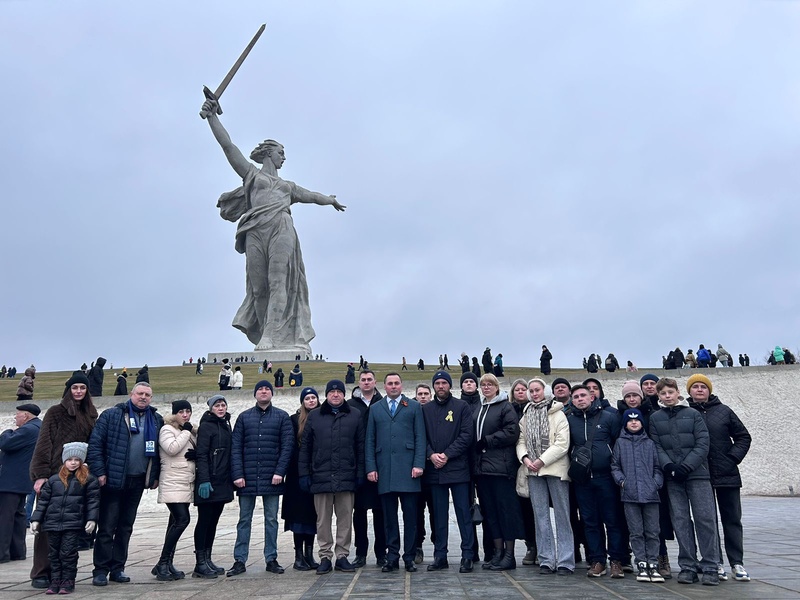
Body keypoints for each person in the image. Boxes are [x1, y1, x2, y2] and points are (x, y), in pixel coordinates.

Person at [201, 96, 344, 353]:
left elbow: (311, 195)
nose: (284, 158)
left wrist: (329, 200)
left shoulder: (288, 187)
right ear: (268, 153)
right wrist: (213, 118)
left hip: (281, 227)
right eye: (281, 153)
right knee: (259, 287)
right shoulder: (252, 175)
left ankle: (271, 335)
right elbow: (228, 147)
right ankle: (263, 333)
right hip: (255, 229)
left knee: (279, 281)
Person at [87, 382, 163, 586]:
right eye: (140, 393)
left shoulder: (155, 419)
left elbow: (157, 453)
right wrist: (99, 472)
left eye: (147, 394)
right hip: (113, 479)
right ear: (131, 394)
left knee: (126, 527)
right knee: (107, 526)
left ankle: (118, 568)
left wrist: (153, 476)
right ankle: (100, 570)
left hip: (137, 481)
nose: (143, 397)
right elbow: (95, 445)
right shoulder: (112, 415)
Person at [29, 373, 98, 589]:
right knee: (47, 526)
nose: (78, 391)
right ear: (69, 389)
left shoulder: (90, 414)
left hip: (78, 476)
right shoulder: (55, 412)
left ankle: (63, 573)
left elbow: (91, 445)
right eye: (75, 387)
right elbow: (44, 443)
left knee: (68, 527)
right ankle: (41, 571)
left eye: (82, 388)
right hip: (53, 475)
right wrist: (40, 475)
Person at [649, 377, 719, 586]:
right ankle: (688, 566)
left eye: (670, 392)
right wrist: (669, 466)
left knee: (705, 520)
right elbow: (656, 446)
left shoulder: (693, 414)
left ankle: (710, 566)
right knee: (680, 521)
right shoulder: (655, 418)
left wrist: (687, 466)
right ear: (659, 396)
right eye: (663, 393)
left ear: (678, 392)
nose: (667, 396)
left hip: (697, 475)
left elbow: (703, 442)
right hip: (673, 478)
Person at [685, 374, 752, 582]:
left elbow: (743, 436)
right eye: (694, 387)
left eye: (702, 387)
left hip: (727, 474)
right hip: (700, 475)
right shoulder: (686, 414)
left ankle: (736, 563)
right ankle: (715, 562)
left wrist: (732, 458)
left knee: (732, 519)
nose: (699, 390)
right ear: (689, 391)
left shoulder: (724, 411)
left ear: (709, 390)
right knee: (708, 521)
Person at [227, 380, 293, 576]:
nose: (263, 391)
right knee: (244, 520)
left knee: (271, 519)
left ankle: (271, 558)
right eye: (260, 389)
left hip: (272, 477)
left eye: (267, 389)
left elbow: (286, 447)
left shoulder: (281, 417)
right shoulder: (244, 417)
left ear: (272, 394)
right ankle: (239, 560)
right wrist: (238, 474)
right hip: (246, 477)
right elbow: (236, 448)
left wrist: (280, 472)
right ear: (255, 394)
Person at [298, 380, 364, 574]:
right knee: (323, 520)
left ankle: (342, 555)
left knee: (345, 519)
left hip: (347, 476)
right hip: (321, 476)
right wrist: (304, 474)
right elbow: (306, 449)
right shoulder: (315, 416)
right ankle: (325, 556)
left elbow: (360, 447)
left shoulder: (355, 415)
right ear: (326, 394)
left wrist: (359, 473)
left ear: (344, 394)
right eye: (332, 392)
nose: (335, 395)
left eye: (339, 392)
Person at [365, 373, 426, 573]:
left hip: (409, 470)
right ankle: (392, 557)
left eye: (396, 383)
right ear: (384, 386)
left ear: (402, 385)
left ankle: (409, 557)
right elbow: (370, 441)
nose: (393, 386)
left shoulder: (414, 407)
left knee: (411, 518)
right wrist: (371, 467)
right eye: (390, 384)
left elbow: (420, 437)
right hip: (385, 470)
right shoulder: (375, 409)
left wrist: (419, 464)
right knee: (389, 519)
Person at [566, 384, 628, 578]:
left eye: (583, 395)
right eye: (576, 397)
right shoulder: (569, 420)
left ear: (591, 397)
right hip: (583, 480)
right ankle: (597, 560)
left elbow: (619, 444)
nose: (580, 399)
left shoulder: (609, 417)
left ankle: (616, 560)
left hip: (605, 477)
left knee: (612, 520)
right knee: (589, 521)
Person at [517, 379, 574, 575]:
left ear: (544, 391)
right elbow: (521, 440)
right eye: (531, 391)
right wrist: (525, 458)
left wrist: (541, 460)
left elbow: (562, 443)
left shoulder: (558, 413)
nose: (534, 394)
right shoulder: (526, 414)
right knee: (540, 516)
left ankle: (566, 560)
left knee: (562, 515)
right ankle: (546, 559)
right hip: (533, 470)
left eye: (537, 390)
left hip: (555, 469)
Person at [422, 371, 475, 573]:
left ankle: (467, 555)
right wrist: (431, 455)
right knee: (439, 516)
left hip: (458, 469)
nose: (441, 386)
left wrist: (446, 455)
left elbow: (466, 435)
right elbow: (421, 436)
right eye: (438, 383)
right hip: (435, 470)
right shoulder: (426, 409)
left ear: (450, 386)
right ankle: (440, 555)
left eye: (444, 383)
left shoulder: (461, 407)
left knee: (463, 513)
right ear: (433, 386)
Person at [30, 442, 100, 595]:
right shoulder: (53, 480)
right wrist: (36, 520)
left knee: (68, 553)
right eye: (70, 459)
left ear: (82, 461)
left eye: (76, 459)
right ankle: (55, 580)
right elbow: (43, 502)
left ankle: (68, 580)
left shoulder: (89, 480)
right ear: (64, 461)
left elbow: (93, 501)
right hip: (53, 523)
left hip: (73, 523)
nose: (73, 462)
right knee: (53, 554)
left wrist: (92, 519)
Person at [473, 373, 524, 571]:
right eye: (483, 385)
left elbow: (512, 432)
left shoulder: (505, 406)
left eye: (489, 385)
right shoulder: (479, 408)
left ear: (496, 387)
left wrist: (488, 440)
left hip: (501, 468)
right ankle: (497, 552)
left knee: (505, 512)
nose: (486, 387)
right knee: (491, 513)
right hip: (482, 469)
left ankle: (509, 555)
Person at [611, 409, 665, 584]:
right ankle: (641, 562)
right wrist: (622, 482)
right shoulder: (620, 443)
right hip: (630, 494)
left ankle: (653, 563)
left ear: (642, 423)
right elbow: (615, 465)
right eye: (630, 420)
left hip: (650, 495)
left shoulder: (650, 443)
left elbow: (658, 467)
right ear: (625, 423)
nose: (634, 423)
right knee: (636, 532)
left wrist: (656, 483)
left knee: (652, 531)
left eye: (637, 420)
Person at [152, 400, 197, 581]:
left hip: (184, 483)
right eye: (181, 412)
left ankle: (165, 564)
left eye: (188, 411)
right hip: (172, 482)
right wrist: (187, 431)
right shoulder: (167, 429)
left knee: (174, 522)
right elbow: (172, 448)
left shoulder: (188, 431)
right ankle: (163, 563)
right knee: (182, 519)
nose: (185, 415)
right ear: (174, 414)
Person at [347, 370, 386, 567]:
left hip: (380, 465)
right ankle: (360, 552)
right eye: (363, 380)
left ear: (375, 382)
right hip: (358, 465)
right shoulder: (350, 405)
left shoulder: (383, 402)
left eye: (370, 379)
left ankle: (381, 552)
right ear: (359, 383)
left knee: (381, 512)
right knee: (359, 512)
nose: (366, 382)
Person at [192, 395, 234, 578]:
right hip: (209, 480)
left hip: (222, 480)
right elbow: (201, 454)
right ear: (211, 409)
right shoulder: (207, 426)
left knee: (214, 522)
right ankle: (200, 563)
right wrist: (204, 479)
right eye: (217, 405)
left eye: (223, 405)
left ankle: (207, 559)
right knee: (204, 521)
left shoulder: (226, 425)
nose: (221, 408)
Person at [282, 387, 320, 572]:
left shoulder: (323, 417)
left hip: (317, 474)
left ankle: (309, 554)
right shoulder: (294, 420)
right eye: (307, 398)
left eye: (314, 397)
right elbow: (290, 446)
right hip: (297, 476)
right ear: (302, 401)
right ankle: (298, 556)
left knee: (313, 516)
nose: (311, 401)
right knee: (299, 517)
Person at [0, 403, 41, 563]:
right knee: (17, 517)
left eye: (17, 414)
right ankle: (17, 552)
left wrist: (7, 431)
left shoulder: (28, 429)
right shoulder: (37, 427)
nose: (15, 417)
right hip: (21, 480)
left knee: (5, 518)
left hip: (11, 481)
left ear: (25, 416)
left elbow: (5, 443)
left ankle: (2, 554)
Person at [508, 379, 537, 566]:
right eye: (517, 389)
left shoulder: (535, 409)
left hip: (532, 463)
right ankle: (529, 544)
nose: (520, 392)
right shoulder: (508, 409)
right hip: (512, 465)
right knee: (518, 509)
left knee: (533, 509)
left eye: (523, 389)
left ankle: (535, 546)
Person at [412, 384, 435, 564]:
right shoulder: (411, 412)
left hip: (434, 470)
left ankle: (438, 545)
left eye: (426, 394)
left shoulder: (435, 411)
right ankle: (417, 546)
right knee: (417, 511)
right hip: (416, 472)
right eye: (420, 394)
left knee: (436, 511)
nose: (423, 397)